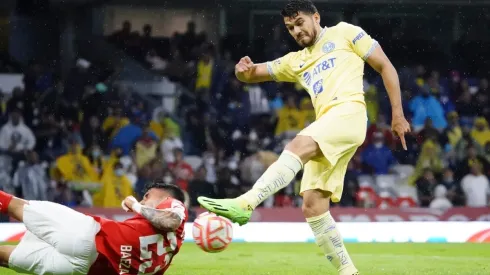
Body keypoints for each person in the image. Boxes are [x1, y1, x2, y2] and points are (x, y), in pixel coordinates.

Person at [197, 1, 410, 275]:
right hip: (328, 126)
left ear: (316, 17)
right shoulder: (295, 60)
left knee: (297, 144)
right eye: (290, 28)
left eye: (299, 23)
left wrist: (397, 114)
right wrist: (242, 71)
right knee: (312, 205)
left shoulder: (345, 32)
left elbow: (385, 65)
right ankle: (349, 272)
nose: (296, 31)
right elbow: (254, 74)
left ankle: (245, 203)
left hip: (350, 114)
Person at [0, 182, 187, 275]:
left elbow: (171, 221)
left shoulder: (173, 204)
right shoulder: (163, 262)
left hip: (86, 236)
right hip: (81, 268)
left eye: (147, 196)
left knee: (14, 206)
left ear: (166, 197)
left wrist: (135, 205)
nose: (143, 200)